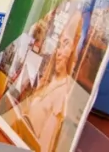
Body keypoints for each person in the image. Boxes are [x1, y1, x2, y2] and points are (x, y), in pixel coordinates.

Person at [22, 11, 83, 152]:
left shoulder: (62, 93)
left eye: (66, 45)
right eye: (59, 45)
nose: (59, 52)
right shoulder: (49, 80)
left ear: (73, 50)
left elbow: (45, 146)